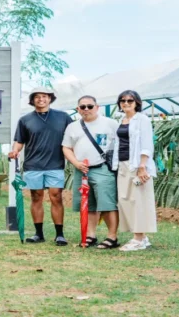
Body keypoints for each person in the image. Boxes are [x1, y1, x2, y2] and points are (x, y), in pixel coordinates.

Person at [8, 87, 73, 246]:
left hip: (55, 164)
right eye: (37, 97)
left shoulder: (63, 117)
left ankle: (60, 234)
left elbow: (74, 136)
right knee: (36, 197)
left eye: (44, 96)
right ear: (32, 100)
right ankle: (39, 234)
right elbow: (19, 141)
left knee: (55, 196)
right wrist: (15, 151)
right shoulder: (25, 120)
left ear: (50, 99)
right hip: (33, 165)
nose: (41, 99)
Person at [62, 95, 120, 249]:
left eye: (90, 106)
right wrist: (76, 163)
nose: (86, 109)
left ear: (97, 107)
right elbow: (66, 147)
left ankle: (112, 237)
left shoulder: (110, 124)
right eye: (82, 107)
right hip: (81, 170)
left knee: (107, 204)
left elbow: (121, 144)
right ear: (78, 109)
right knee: (88, 205)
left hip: (102, 168)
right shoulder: (72, 127)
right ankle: (90, 235)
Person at [112, 90, 157, 251]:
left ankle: (138, 238)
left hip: (137, 165)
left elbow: (146, 144)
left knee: (138, 201)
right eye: (122, 100)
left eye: (130, 101)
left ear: (136, 103)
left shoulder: (142, 120)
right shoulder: (121, 120)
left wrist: (142, 166)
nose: (126, 103)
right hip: (122, 165)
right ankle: (142, 238)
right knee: (125, 200)